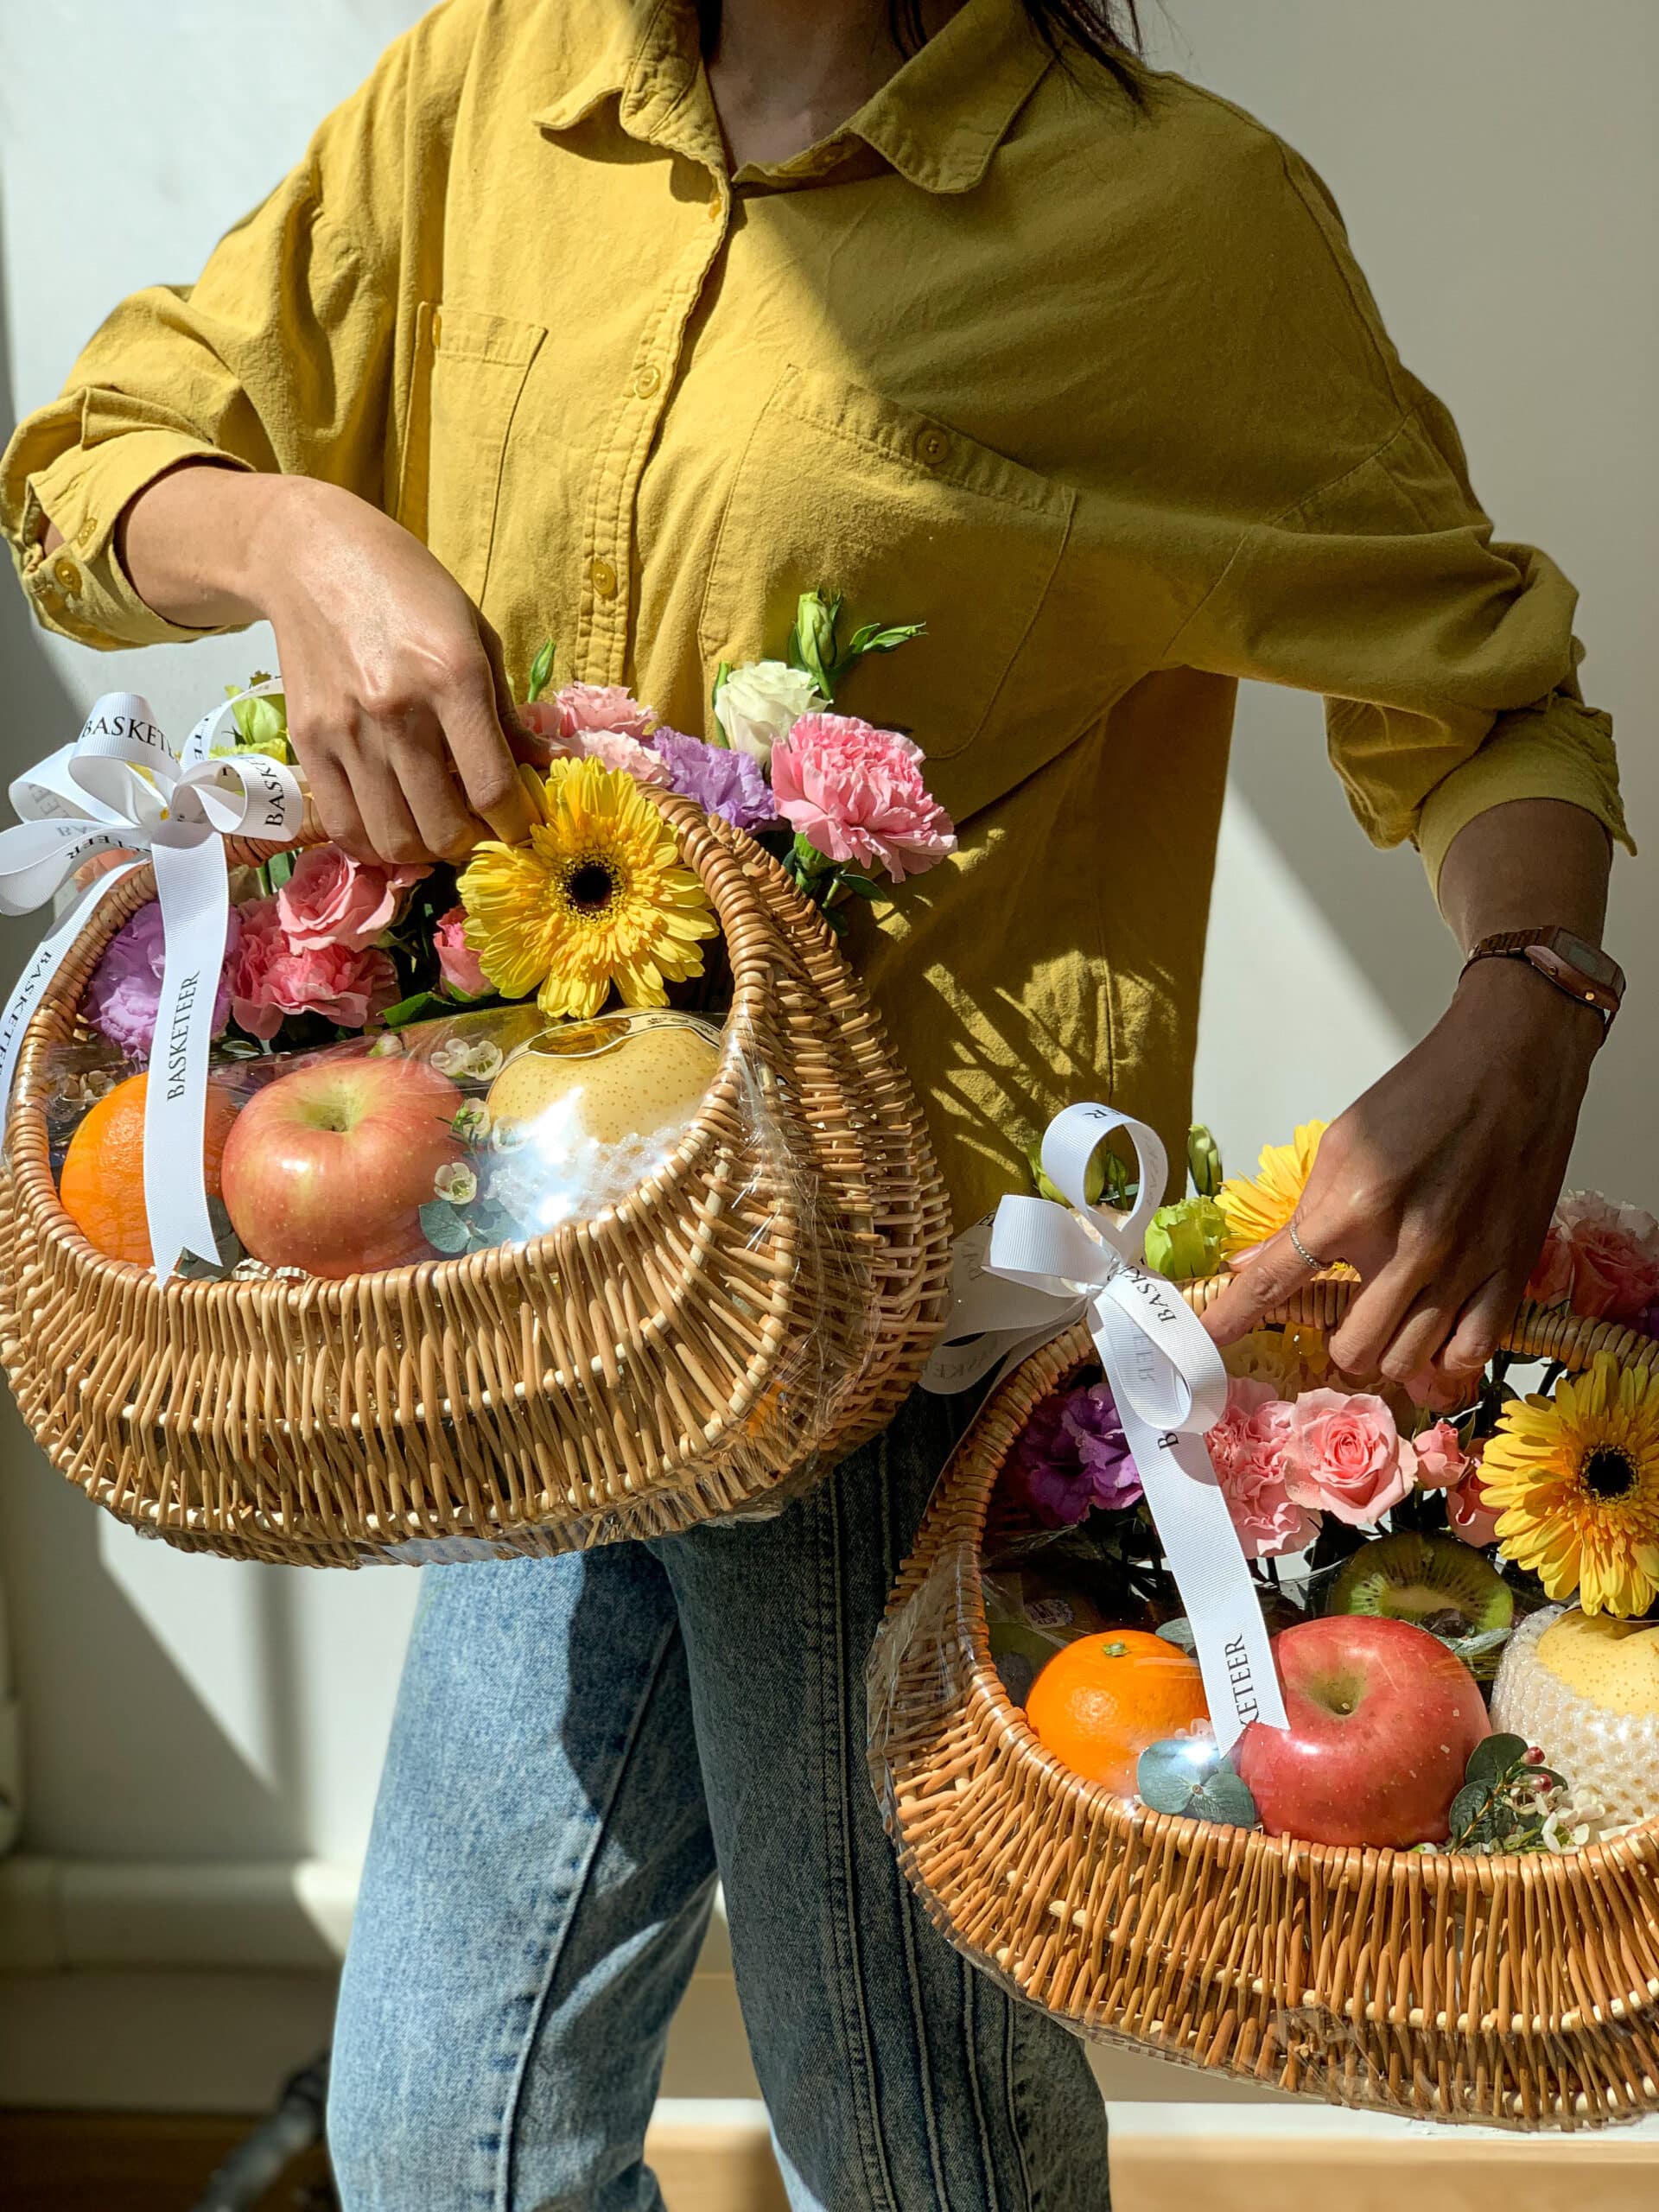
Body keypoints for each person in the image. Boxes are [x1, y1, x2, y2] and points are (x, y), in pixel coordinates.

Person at [2, 0, 1629, 2203]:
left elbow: (1482, 696)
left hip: (891, 1353)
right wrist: (297, 536)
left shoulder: (1171, 223)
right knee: (442, 2144)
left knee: (908, 2145)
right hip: (552, 1307)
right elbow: (96, 463)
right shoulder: (496, 79)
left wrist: (1524, 993)